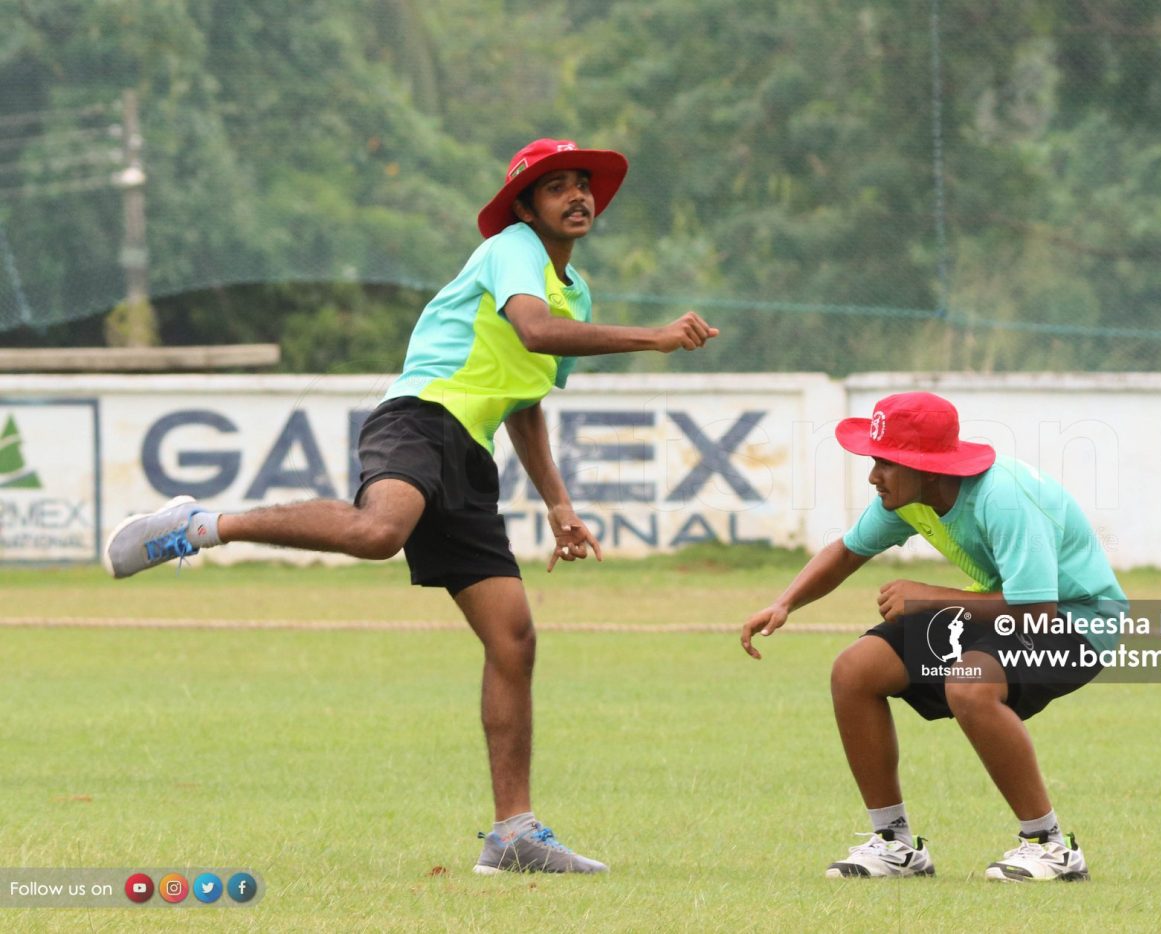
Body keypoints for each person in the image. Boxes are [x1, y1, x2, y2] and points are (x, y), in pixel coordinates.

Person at [105, 137, 719, 875]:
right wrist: (653, 337)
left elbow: (525, 396)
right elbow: (532, 330)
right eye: (556, 187)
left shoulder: (575, 292)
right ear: (525, 207)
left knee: (514, 638)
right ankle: (197, 525)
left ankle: (513, 835)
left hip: (469, 452)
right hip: (419, 417)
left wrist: (558, 503)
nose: (577, 196)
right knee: (377, 531)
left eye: (582, 185)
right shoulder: (512, 247)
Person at [739, 391, 1126, 882]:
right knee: (855, 670)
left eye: (886, 463)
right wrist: (784, 602)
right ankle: (894, 845)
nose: (873, 475)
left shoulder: (1002, 497)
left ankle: (1050, 846)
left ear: (928, 466)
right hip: (1004, 608)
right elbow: (847, 551)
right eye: (875, 460)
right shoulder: (909, 497)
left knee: (970, 683)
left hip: (1079, 621)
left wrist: (927, 599)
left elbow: (1038, 610)